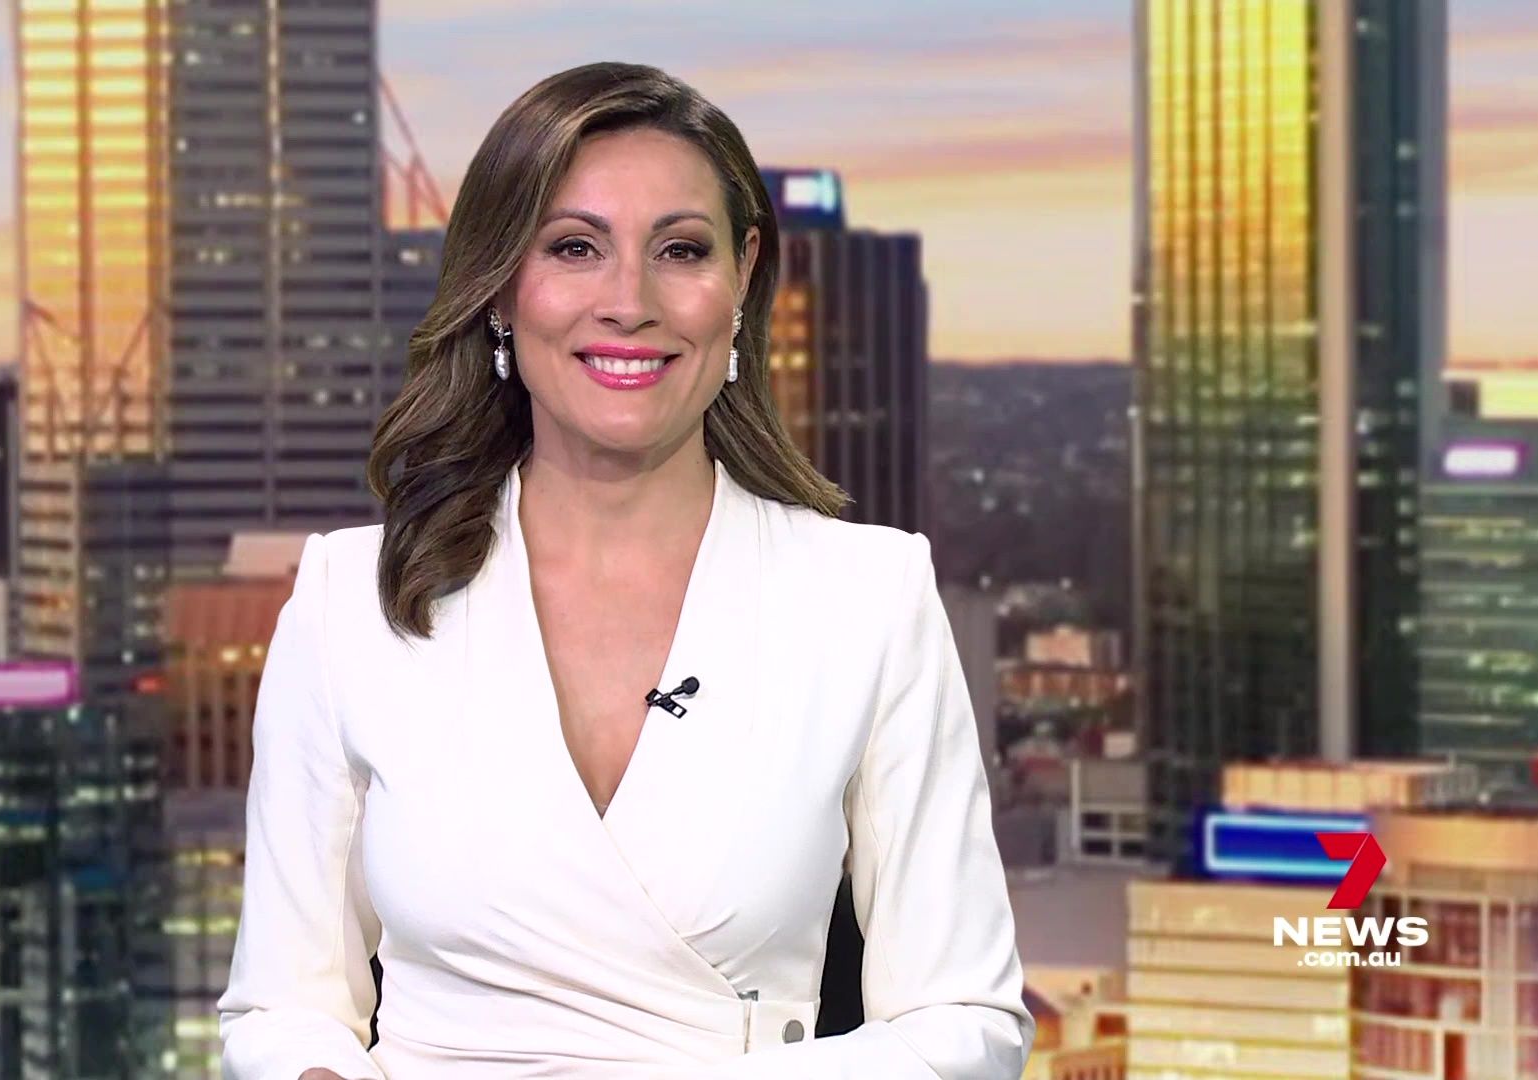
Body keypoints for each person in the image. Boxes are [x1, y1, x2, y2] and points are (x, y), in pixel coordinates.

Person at [218, 61, 1034, 1079]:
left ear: (742, 278)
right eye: (575, 248)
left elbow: (965, 1024)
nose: (629, 303)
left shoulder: (868, 598)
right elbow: (282, 1007)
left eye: (679, 251)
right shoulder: (351, 598)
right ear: (501, 286)